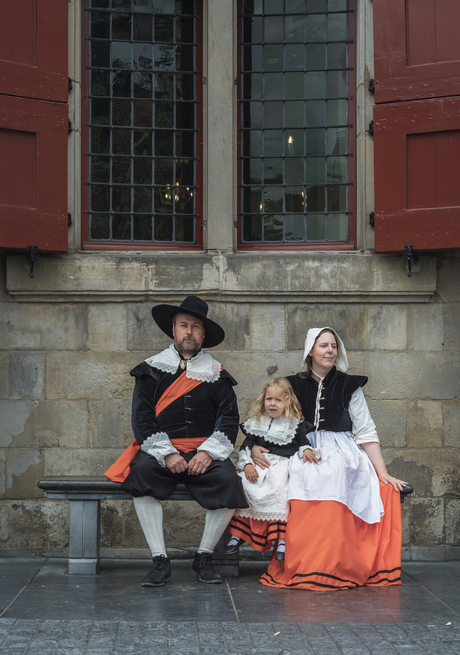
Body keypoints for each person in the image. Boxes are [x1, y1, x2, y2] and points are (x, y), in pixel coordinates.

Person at [106, 296, 248, 587]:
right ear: (173, 330)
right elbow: (142, 418)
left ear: (203, 334)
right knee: (141, 475)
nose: (189, 332)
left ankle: (204, 557)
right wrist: (166, 453)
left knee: (231, 482)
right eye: (184, 325)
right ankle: (160, 560)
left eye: (196, 327)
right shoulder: (149, 370)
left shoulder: (218, 376)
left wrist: (209, 453)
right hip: (161, 450)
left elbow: (228, 420)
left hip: (203, 453)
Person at [252, 327, 407, 591]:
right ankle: (306, 563)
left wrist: (382, 472)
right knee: (300, 474)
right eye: (323, 345)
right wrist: (254, 446)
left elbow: (366, 430)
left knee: (334, 472)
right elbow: (270, 418)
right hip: (302, 445)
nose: (329, 351)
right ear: (310, 351)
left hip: (341, 448)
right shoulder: (292, 384)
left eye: (333, 346)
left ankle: (335, 563)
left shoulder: (350, 385)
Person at [225, 378, 317, 561]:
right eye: (269, 399)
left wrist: (306, 449)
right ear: (263, 400)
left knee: (280, 490)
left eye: (278, 400)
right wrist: (248, 464)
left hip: (281, 466)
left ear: (287, 402)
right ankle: (237, 536)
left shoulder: (294, 424)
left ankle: (281, 541)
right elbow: (245, 447)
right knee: (242, 484)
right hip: (258, 466)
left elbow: (303, 443)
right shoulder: (256, 423)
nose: (273, 404)